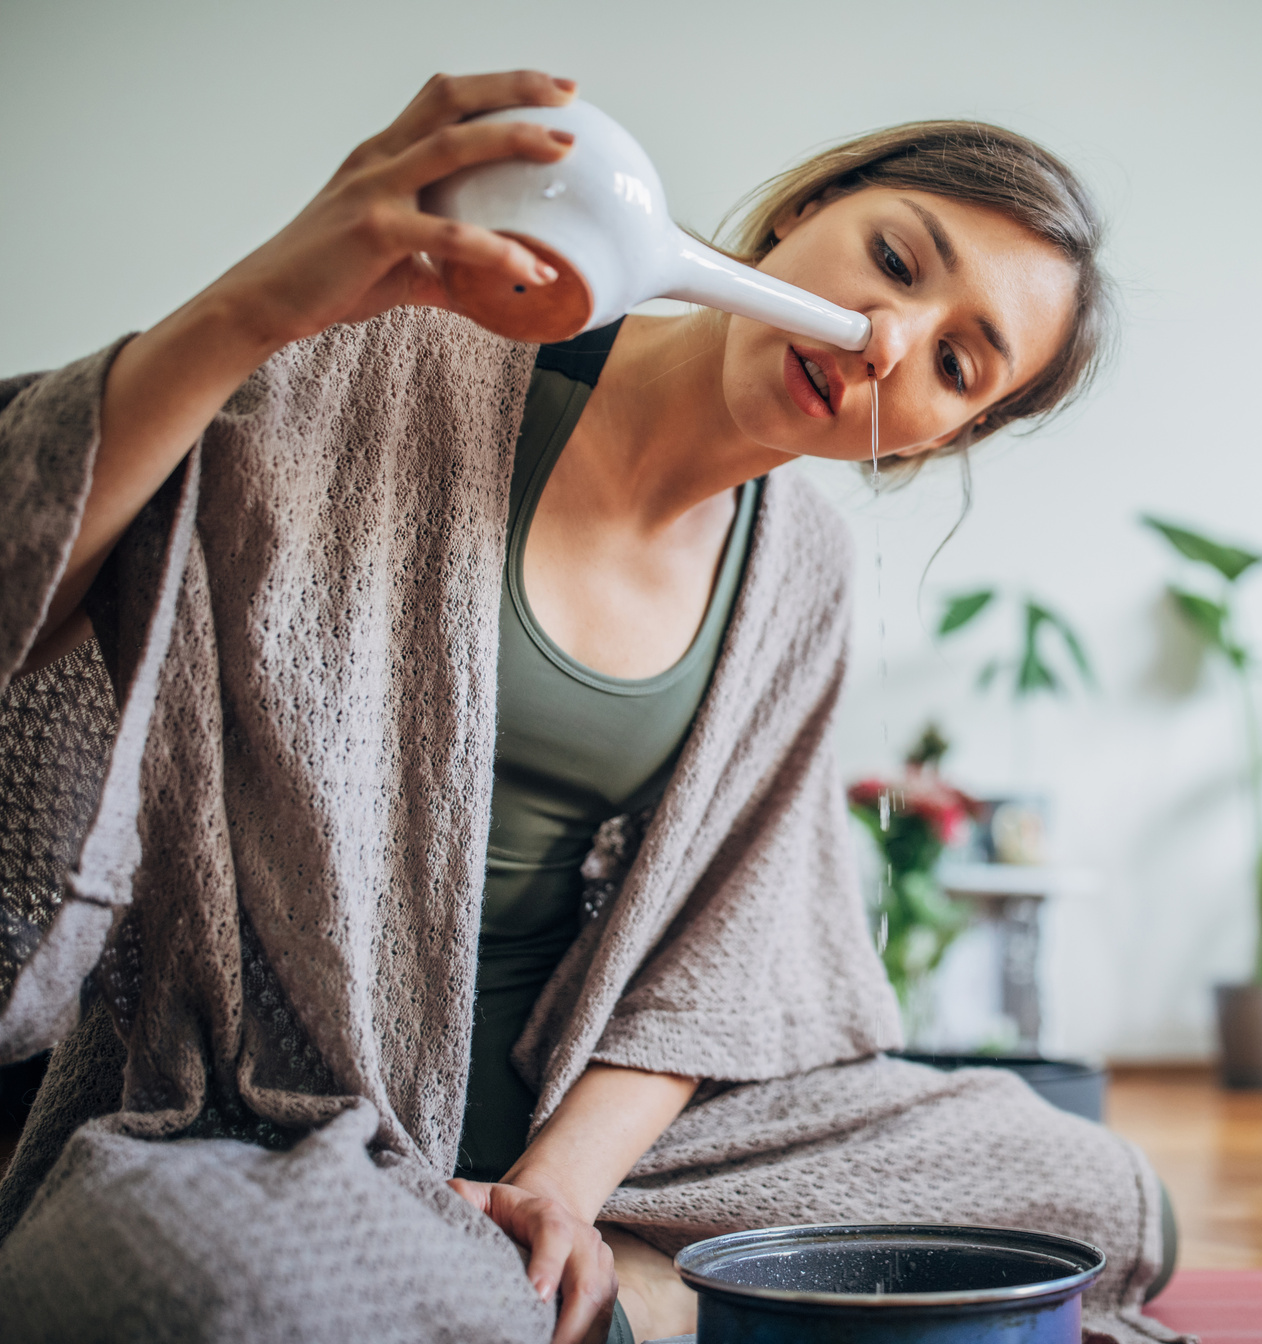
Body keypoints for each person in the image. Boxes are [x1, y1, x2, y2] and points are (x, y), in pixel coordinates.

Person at [0, 71, 1180, 1344]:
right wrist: (265, 302)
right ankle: (636, 1301)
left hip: (584, 1121)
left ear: (935, 440)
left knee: (1097, 1193)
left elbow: (720, 961)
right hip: (270, 1099)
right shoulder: (395, 360)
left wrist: (558, 1190)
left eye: (955, 362)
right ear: (808, 211)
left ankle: (578, 1277)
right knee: (226, 1298)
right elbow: (40, 568)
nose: (884, 341)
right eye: (894, 258)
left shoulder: (801, 575)